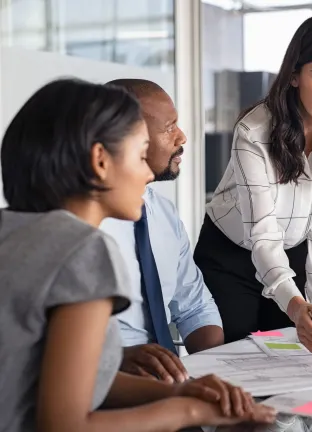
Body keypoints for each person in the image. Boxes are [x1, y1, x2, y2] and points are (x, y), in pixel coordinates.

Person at [0, 78, 275, 431]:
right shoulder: (84, 250)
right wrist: (191, 412)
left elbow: (68, 379)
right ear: (100, 160)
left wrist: (183, 392)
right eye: (139, 153)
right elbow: (65, 425)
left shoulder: (15, 232)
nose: (147, 172)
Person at [193, 14, 312, 352]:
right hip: (231, 254)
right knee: (235, 361)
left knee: (292, 361)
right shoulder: (254, 131)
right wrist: (294, 304)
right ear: (294, 75)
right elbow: (262, 233)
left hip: (294, 252)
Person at [101, 79, 223, 383]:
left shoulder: (163, 212)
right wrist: (115, 360)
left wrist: (217, 371)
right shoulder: (84, 228)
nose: (182, 137)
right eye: (169, 127)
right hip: (108, 379)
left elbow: (194, 305)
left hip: (171, 381)